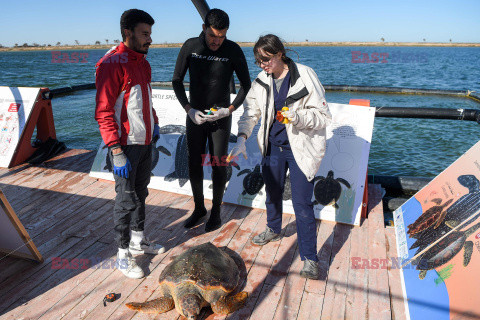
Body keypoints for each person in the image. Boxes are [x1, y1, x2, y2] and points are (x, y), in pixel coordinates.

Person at [229, 34, 332, 279]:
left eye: (266, 59)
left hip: (299, 149)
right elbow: (250, 113)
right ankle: (274, 228)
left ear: (279, 54)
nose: (263, 65)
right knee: (272, 192)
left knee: (302, 205)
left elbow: (323, 117)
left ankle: (309, 258)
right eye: (258, 61)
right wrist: (242, 138)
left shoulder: (305, 75)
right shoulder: (261, 80)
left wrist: (297, 117)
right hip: (272, 147)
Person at [95, 9, 164, 279]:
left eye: (150, 34)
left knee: (141, 192)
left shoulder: (143, 62)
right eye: (145, 34)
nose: (150, 39)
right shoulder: (112, 64)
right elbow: (103, 111)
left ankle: (138, 239)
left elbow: (146, 99)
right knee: (125, 200)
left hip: (145, 142)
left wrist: (155, 122)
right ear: (128, 33)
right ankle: (122, 254)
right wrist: (115, 149)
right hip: (125, 147)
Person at [172, 8, 251, 232]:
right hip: (195, 116)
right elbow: (176, 80)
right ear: (204, 28)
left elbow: (246, 84)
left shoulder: (232, 49)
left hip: (220, 118)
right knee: (194, 163)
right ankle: (199, 208)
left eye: (221, 36)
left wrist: (230, 109)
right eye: (212, 35)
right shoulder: (190, 46)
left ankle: (215, 211)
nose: (217, 41)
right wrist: (188, 109)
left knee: (218, 164)